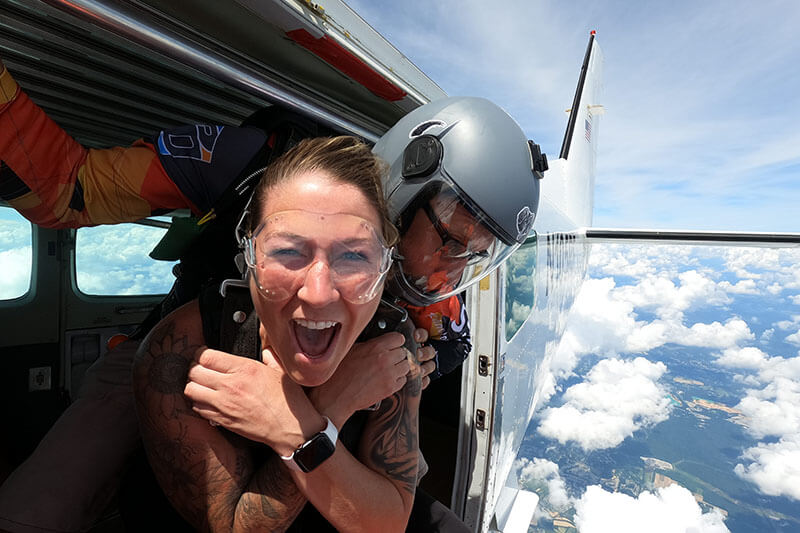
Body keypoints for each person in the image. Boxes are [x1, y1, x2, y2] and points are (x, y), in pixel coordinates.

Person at [0, 55, 543, 531]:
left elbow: (453, 346)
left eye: (478, 255)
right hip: (193, 355)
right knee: (41, 508)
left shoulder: (419, 301)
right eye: (450, 237)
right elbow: (71, 188)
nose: (452, 269)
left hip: (336, 395)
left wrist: (405, 369)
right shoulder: (245, 165)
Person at [134, 135, 420, 531]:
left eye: (354, 256)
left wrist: (296, 426)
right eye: (287, 252)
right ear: (249, 258)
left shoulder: (387, 344)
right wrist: (328, 413)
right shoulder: (181, 350)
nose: (318, 294)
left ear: (384, 270)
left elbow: (387, 523)